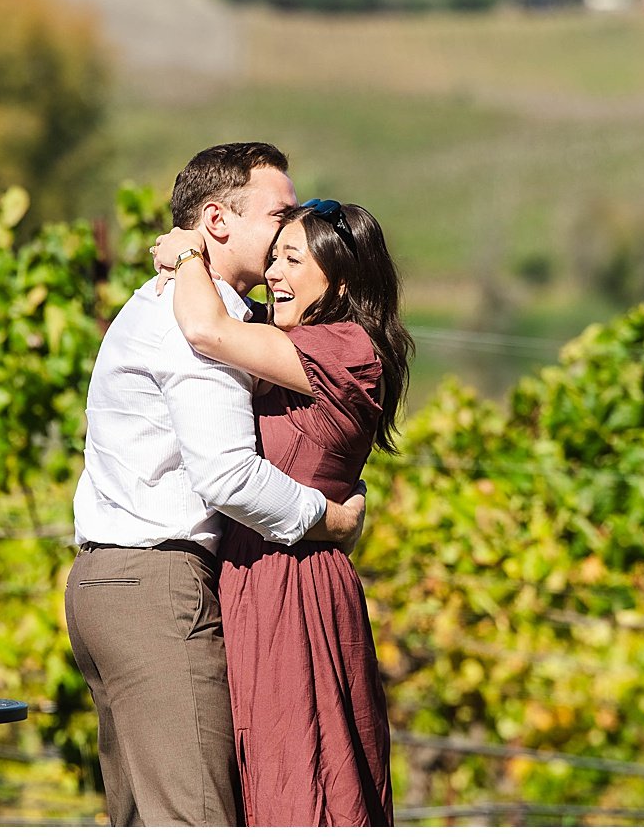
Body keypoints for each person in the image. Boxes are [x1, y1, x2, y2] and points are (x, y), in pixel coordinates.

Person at [65, 142, 368, 827]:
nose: (291, 234)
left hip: (111, 579)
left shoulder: (206, 308)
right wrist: (326, 517)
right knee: (195, 817)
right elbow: (228, 474)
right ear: (217, 219)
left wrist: (184, 253)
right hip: (156, 587)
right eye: (279, 214)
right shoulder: (194, 324)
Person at [151, 194, 412, 826]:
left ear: (340, 280)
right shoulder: (293, 345)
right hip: (249, 573)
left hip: (293, 583)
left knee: (301, 769)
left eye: (293, 259)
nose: (274, 273)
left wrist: (188, 251)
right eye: (273, 257)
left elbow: (208, 330)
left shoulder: (349, 346)